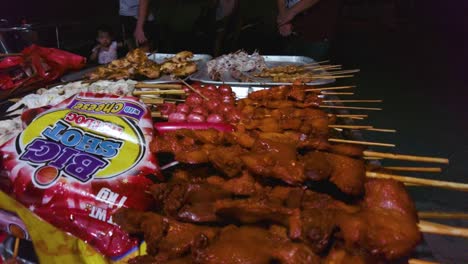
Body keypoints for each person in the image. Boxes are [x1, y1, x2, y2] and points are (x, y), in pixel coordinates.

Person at [276, 0, 341, 60]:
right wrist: (283, 16)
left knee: (310, 68)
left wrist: (288, 14)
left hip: (317, 33)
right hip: (292, 31)